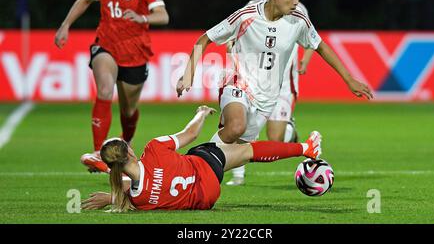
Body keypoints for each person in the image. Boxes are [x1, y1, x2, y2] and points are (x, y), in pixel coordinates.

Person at [176, 0, 372, 186]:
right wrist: (188, 74)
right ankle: (190, 173)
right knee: (235, 126)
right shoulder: (246, 15)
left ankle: (195, 174)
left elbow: (321, 47)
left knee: (237, 150)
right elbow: (205, 39)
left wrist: (349, 79)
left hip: (267, 96)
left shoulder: (298, 21)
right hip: (238, 81)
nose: (297, 1)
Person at [55, 0, 169, 173]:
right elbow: (85, 0)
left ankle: (125, 142)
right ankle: (98, 153)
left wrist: (142, 17)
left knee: (128, 111)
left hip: (136, 53)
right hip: (105, 46)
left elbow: (163, 15)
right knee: (105, 89)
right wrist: (65, 25)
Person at [81, 105, 322, 212]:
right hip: (204, 166)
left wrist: (110, 196)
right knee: (247, 150)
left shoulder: (138, 198)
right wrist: (201, 113)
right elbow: (190, 133)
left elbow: (128, 185)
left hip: (205, 199)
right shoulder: (153, 150)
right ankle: (305, 147)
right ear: (130, 151)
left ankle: (300, 145)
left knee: (234, 147)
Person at [224, 0, 316, 185]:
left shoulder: (296, 6)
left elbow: (313, 38)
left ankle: (289, 130)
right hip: (254, 81)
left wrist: (305, 59)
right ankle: (238, 175)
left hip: (283, 81)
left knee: (275, 137)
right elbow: (233, 32)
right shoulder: (252, 7)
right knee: (241, 126)